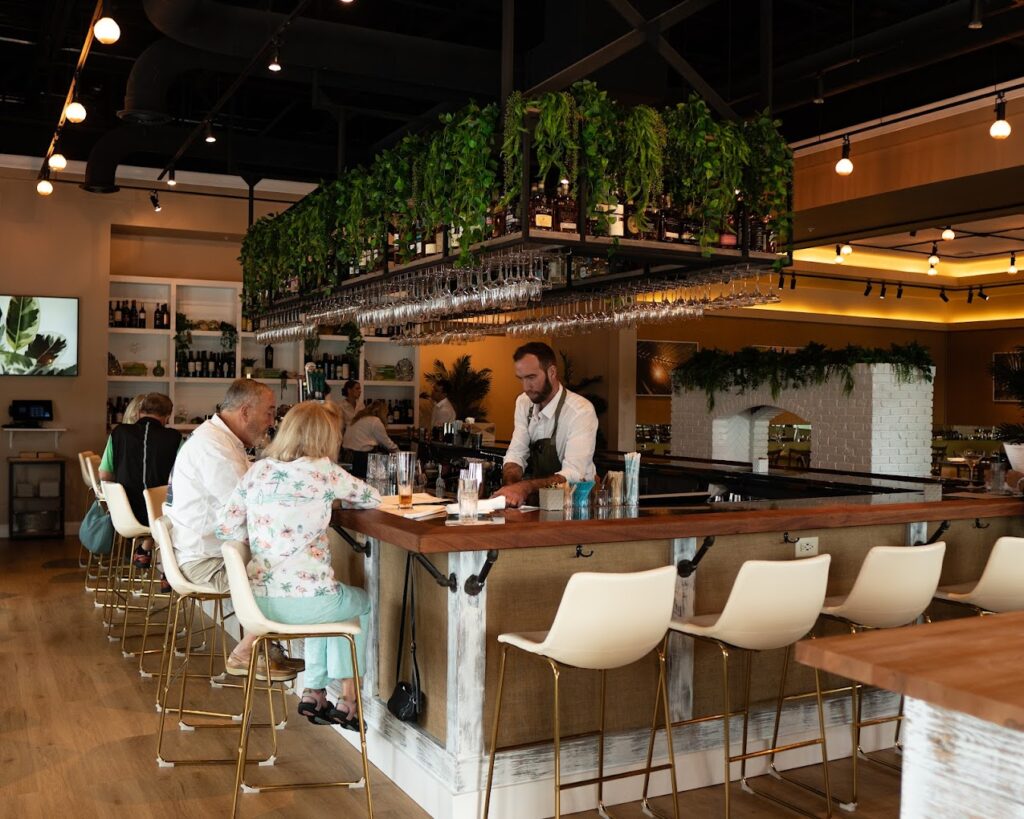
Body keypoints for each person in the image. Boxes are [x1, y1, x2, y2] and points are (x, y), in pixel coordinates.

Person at [217, 401, 381, 728]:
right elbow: (373, 498)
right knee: (357, 603)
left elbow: (225, 526)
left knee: (327, 603)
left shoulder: (259, 470)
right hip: (308, 604)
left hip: (256, 605)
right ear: (327, 437)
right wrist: (331, 498)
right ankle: (349, 698)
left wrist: (263, 534)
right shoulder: (324, 471)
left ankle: (314, 692)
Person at [165, 379, 296, 680]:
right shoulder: (214, 449)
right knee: (290, 576)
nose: (271, 421)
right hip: (205, 563)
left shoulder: (219, 441)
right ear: (245, 412)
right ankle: (248, 652)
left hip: (202, 554)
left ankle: (261, 648)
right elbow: (249, 509)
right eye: (269, 412)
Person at [493, 342, 598, 508]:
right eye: (521, 379)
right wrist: (511, 488)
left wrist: (524, 487)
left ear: (552, 372)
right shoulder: (523, 403)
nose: (526, 387)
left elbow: (573, 474)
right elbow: (516, 454)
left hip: (576, 505)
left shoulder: (580, 411)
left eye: (531, 377)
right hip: (540, 504)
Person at [99, 392, 182, 565]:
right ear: (167, 417)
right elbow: (183, 478)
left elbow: (104, 475)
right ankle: (168, 567)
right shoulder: (175, 438)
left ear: (138, 412)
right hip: (159, 517)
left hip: (124, 515)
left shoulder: (118, 433)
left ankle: (146, 550)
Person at [342, 399, 398, 479]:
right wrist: (399, 453)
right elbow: (388, 444)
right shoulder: (375, 421)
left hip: (346, 457)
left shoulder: (358, 418)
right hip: (361, 459)